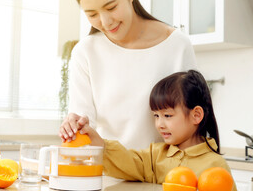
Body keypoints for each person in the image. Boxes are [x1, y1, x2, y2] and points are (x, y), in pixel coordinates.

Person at [59, 0, 197, 149]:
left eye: (111, 7)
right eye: (92, 14)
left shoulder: (177, 45)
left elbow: (192, 123)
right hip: (109, 171)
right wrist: (74, 124)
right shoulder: (86, 52)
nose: (105, 22)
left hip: (164, 172)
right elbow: (84, 122)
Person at [80, 70, 237, 190]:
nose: (159, 124)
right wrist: (100, 144)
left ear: (196, 115)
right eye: (156, 115)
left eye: (167, 115)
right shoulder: (156, 156)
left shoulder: (216, 165)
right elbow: (128, 162)